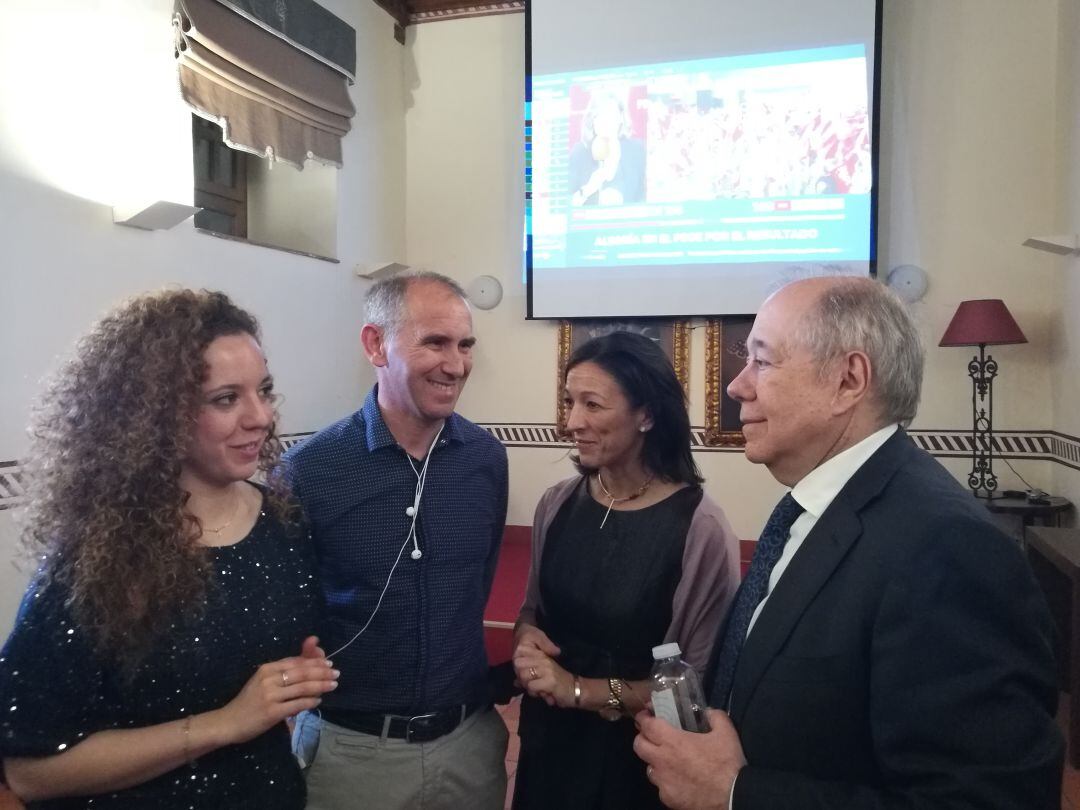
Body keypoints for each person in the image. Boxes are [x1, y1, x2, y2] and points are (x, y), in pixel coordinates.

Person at [634, 277, 1063, 810]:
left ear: (848, 380)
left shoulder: (945, 547)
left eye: (762, 362)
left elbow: (989, 800)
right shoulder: (821, 502)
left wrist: (737, 792)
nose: (737, 386)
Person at [0, 289, 338, 809]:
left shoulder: (282, 521)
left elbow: (239, 656)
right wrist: (225, 723)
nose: (261, 417)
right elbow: (30, 772)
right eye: (226, 398)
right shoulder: (96, 561)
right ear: (156, 414)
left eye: (264, 391)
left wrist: (290, 675)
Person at [285, 271, 509, 810]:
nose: (455, 365)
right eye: (434, 342)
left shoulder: (485, 459)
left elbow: (478, 587)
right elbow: (291, 619)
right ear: (375, 344)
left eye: (465, 345)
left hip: (469, 747)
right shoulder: (308, 472)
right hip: (352, 756)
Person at [512, 331, 740, 810]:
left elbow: (692, 684)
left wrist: (577, 689)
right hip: (549, 743)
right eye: (569, 402)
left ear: (648, 415)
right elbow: (533, 610)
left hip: (640, 762)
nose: (572, 422)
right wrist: (525, 643)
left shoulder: (699, 527)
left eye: (593, 405)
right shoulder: (557, 503)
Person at [569, 90, 647, 206]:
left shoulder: (637, 150)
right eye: (600, 116)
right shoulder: (579, 152)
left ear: (621, 118)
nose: (605, 121)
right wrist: (587, 190)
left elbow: (646, 198)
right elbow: (561, 207)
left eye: (611, 115)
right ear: (593, 121)